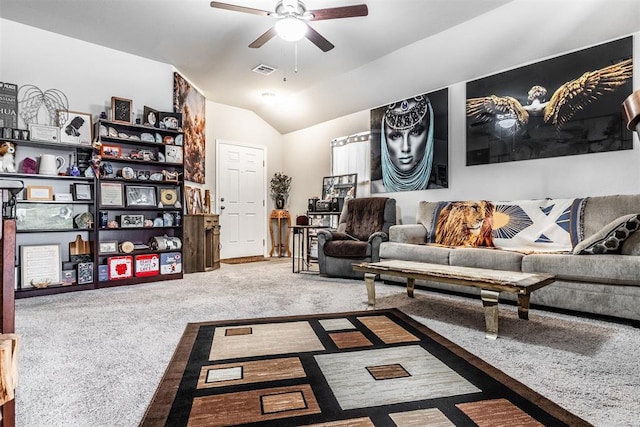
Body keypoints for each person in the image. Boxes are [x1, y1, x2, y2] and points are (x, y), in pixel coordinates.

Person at [371, 95, 434, 192]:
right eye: (395, 136)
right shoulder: (373, 189)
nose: (405, 148)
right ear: (385, 141)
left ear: (428, 135)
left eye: (415, 132)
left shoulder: (438, 191)